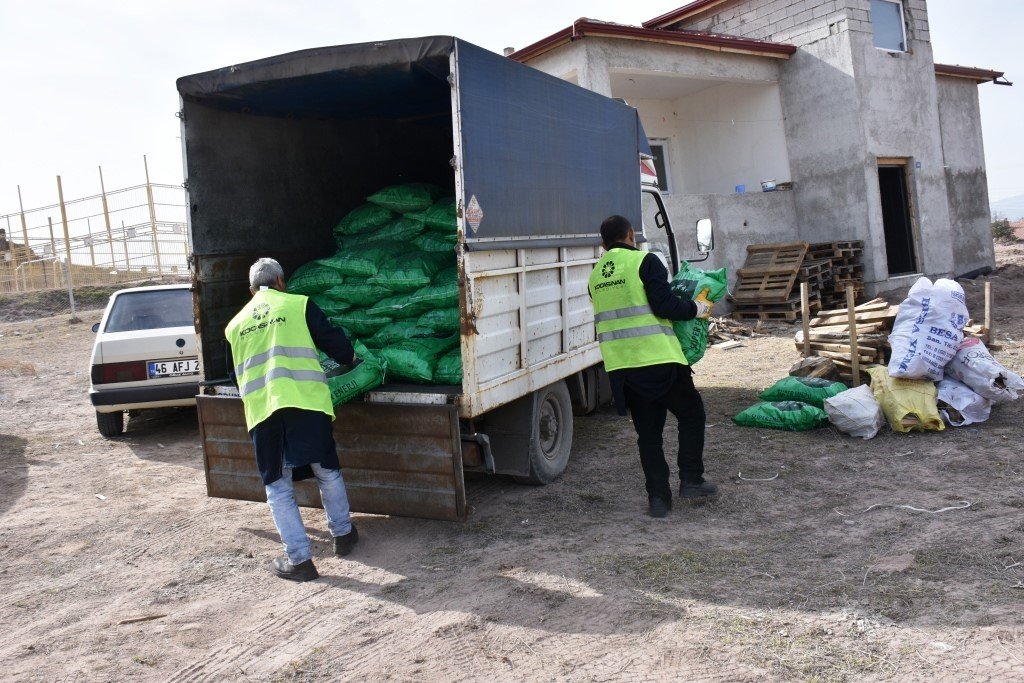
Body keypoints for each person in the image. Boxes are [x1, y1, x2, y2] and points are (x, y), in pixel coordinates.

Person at [225, 257, 358, 581]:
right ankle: (342, 535)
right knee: (326, 470)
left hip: (264, 412)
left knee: (278, 485)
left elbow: (233, 375)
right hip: (306, 403)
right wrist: (351, 359)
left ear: (251, 289)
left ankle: (300, 561)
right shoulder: (299, 305)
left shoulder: (235, 324)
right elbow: (334, 343)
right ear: (282, 282)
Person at [588, 215, 717, 518]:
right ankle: (691, 480)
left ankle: (658, 499)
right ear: (631, 234)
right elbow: (664, 306)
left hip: (623, 369)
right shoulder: (646, 262)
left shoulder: (594, 277)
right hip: (659, 360)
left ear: (603, 244)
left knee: (648, 434)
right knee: (692, 414)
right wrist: (698, 309)